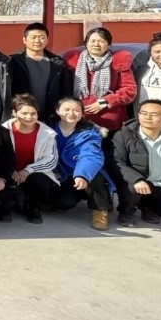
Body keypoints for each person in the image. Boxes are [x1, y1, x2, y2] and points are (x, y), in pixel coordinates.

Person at [51, 96, 119, 230]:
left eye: (76, 110)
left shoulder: (89, 132)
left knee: (94, 175)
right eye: (66, 109)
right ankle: (82, 194)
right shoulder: (47, 129)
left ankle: (100, 209)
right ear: (57, 111)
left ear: (82, 113)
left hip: (81, 171)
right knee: (64, 203)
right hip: (60, 174)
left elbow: (91, 156)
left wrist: (82, 174)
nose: (71, 113)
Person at [65, 27, 136, 133]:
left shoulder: (118, 63)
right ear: (86, 43)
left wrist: (104, 102)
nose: (96, 44)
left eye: (101, 41)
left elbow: (129, 91)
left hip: (109, 119)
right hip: (79, 118)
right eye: (92, 41)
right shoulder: (73, 63)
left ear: (108, 44)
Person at [2, 94, 59, 225]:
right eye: (24, 113)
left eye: (33, 113)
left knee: (41, 180)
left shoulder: (47, 133)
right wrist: (10, 169)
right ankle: (4, 207)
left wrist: (28, 170)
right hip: (9, 171)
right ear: (14, 113)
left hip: (31, 173)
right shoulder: (3, 130)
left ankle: (34, 209)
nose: (29, 117)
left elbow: (51, 159)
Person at [9, 23, 72, 120]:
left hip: (50, 117)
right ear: (24, 40)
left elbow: (65, 91)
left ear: (47, 40)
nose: (37, 41)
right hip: (22, 116)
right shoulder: (13, 62)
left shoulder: (57, 63)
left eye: (41, 37)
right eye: (33, 37)